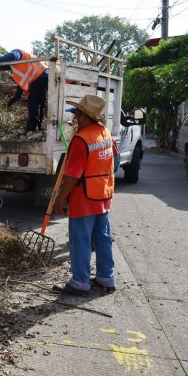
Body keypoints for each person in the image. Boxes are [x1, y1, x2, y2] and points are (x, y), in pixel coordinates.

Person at [51, 95, 117, 297]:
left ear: (87, 116)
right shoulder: (105, 133)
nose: (75, 116)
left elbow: (72, 176)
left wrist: (60, 200)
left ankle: (80, 283)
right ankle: (106, 279)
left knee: (80, 241)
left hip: (84, 198)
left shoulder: (82, 140)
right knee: (103, 239)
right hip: (103, 195)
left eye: (78, 113)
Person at [0, 49, 49, 138]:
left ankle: (30, 130)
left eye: (1, 67)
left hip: (41, 76)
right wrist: (16, 97)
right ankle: (38, 129)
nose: (3, 69)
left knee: (33, 103)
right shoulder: (16, 68)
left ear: (4, 61)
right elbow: (22, 83)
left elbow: (12, 56)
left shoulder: (17, 53)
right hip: (42, 77)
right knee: (38, 103)